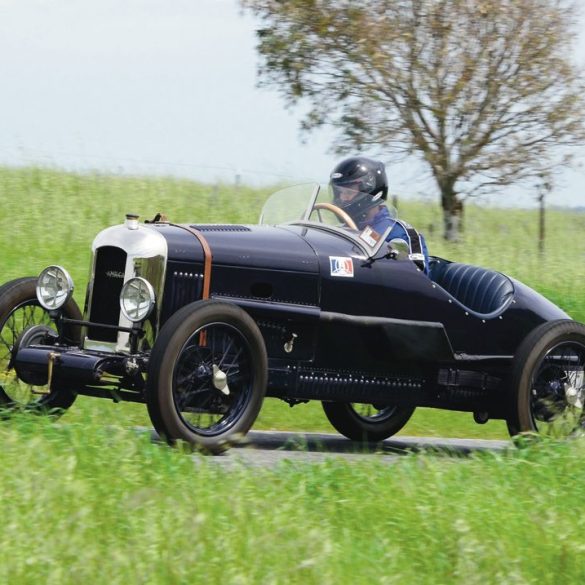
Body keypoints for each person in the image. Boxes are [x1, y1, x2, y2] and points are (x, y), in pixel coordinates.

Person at [329, 156, 429, 273]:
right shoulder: (342, 230)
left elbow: (417, 281)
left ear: (369, 192)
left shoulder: (399, 234)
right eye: (340, 193)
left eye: (349, 192)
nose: (342, 198)